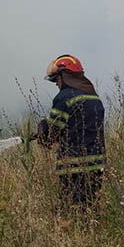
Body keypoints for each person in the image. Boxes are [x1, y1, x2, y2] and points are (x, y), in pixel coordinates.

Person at [35, 54, 106, 208]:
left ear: (65, 76)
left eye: (57, 79)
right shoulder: (94, 98)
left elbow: (52, 130)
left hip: (73, 167)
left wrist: (41, 129)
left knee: (73, 211)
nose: (56, 84)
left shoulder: (65, 97)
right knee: (90, 208)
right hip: (96, 165)